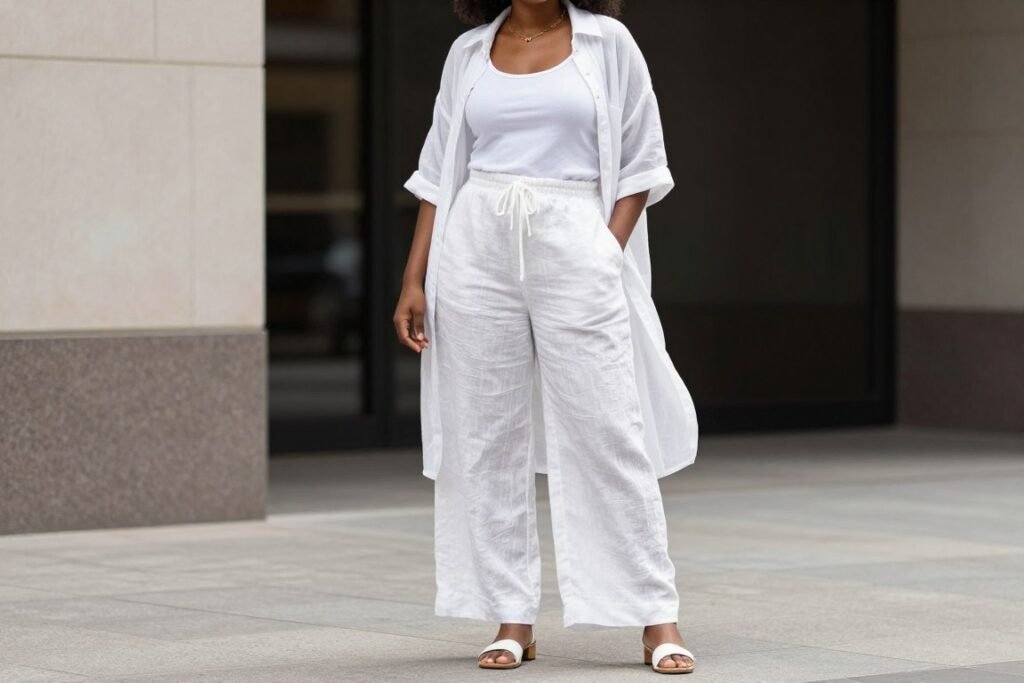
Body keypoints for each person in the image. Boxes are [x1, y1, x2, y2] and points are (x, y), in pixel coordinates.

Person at [393, 0, 698, 673]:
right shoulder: (470, 51)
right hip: (476, 243)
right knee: (486, 432)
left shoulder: (606, 42)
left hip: (573, 234)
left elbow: (644, 158)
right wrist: (415, 276)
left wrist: (602, 250)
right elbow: (441, 170)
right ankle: (512, 616)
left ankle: (656, 616)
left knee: (607, 426)